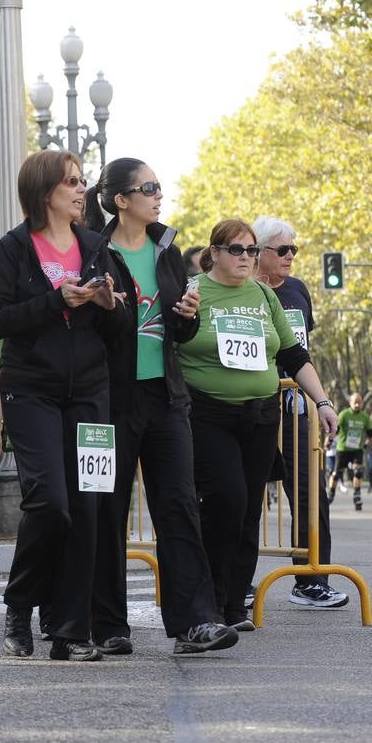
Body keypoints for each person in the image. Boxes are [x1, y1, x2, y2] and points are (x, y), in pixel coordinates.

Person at [0, 149, 133, 662]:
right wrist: (56, 301)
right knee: (50, 502)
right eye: (71, 181)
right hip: (32, 391)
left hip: (91, 392)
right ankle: (20, 603)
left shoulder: (96, 245)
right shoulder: (14, 248)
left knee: (87, 507)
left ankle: (70, 632)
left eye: (82, 180)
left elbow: (120, 329)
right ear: (45, 191)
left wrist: (109, 306)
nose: (81, 190)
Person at [85, 158, 240, 654]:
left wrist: (189, 317)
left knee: (178, 506)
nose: (158, 195)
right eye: (147, 187)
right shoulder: (94, 253)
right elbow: (88, 330)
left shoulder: (169, 251)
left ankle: (195, 621)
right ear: (120, 200)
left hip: (166, 397)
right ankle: (106, 625)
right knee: (106, 509)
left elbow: (180, 329)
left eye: (159, 187)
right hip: (110, 400)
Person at [178, 220, 338, 631]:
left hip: (261, 414)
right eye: (236, 250)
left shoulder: (265, 295)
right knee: (226, 500)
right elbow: (175, 341)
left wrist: (321, 401)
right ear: (214, 253)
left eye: (251, 251)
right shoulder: (193, 290)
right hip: (209, 412)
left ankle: (234, 606)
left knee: (250, 508)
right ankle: (209, 604)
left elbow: (293, 354)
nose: (245, 258)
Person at [253, 215, 347, 610]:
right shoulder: (240, 290)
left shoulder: (297, 290)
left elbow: (300, 351)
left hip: (296, 413)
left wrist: (322, 401)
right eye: (283, 250)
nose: (291, 256)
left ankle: (311, 578)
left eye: (294, 249)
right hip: (251, 407)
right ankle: (232, 583)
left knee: (311, 498)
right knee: (238, 497)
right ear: (258, 252)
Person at [330, 394, 372, 511]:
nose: (357, 405)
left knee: (358, 471)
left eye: (360, 402)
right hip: (343, 448)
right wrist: (328, 441)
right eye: (355, 402)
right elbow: (336, 430)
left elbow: (371, 434)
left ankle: (357, 495)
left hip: (357, 449)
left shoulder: (365, 417)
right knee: (337, 473)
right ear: (350, 402)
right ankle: (331, 493)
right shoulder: (344, 414)